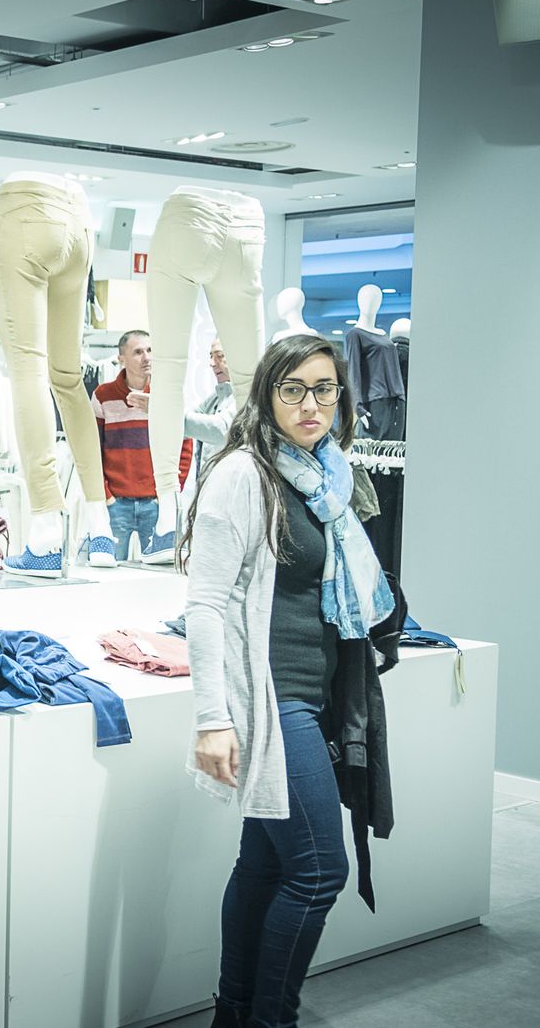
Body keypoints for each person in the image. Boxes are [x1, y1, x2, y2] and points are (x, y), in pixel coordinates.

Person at [182, 335, 395, 1028]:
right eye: (295, 388)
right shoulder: (246, 474)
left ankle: (235, 1012)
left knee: (266, 866)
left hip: (316, 694)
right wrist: (213, 718)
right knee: (317, 869)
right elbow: (206, 603)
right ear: (268, 393)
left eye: (325, 388)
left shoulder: (331, 476)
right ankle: (272, 1019)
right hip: (270, 700)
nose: (312, 403)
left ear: (343, 396)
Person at [92, 330, 191, 563]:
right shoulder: (103, 396)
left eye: (149, 350)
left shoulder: (166, 394)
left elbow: (185, 446)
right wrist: (106, 495)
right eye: (138, 352)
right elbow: (93, 450)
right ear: (121, 359)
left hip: (155, 503)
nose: (147, 357)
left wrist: (167, 494)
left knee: (162, 572)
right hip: (117, 503)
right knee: (108, 570)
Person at [185, 338, 236, 474]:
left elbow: (220, 430)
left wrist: (165, 414)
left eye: (219, 356)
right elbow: (189, 422)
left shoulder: (249, 395)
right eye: (211, 356)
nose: (212, 363)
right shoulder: (217, 396)